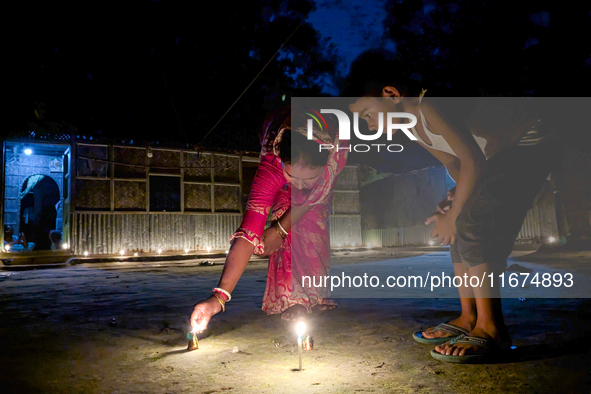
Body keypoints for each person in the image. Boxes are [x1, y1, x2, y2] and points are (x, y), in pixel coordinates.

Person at [345, 51, 561, 363]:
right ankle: (469, 317)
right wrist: (455, 203)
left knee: (471, 223)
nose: (367, 124)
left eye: (367, 113)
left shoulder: (428, 105)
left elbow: (474, 159)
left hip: (528, 146)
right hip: (495, 160)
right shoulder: (411, 128)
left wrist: (459, 210)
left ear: (391, 95)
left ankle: (492, 329)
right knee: (458, 221)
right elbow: (455, 162)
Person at [190, 107, 348, 332]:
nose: (299, 186)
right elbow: (249, 231)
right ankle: (293, 298)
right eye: (292, 176)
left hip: (324, 168)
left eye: (309, 178)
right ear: (281, 160)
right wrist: (218, 299)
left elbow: (313, 196)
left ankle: (315, 296)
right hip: (284, 144)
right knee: (284, 207)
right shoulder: (271, 162)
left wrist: (280, 230)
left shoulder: (337, 150)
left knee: (312, 222)